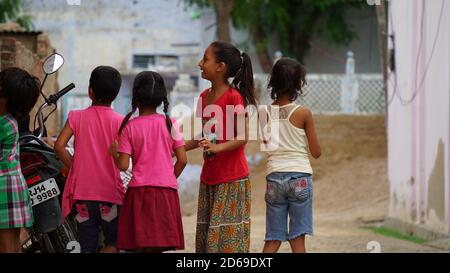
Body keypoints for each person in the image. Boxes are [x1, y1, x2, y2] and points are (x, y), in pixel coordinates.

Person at [185, 41, 256, 253]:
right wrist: (176, 148)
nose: (200, 63)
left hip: (232, 179)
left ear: (220, 67)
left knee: (227, 243)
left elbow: (242, 137)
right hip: (209, 178)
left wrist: (216, 148)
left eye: (205, 59)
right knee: (209, 239)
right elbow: (201, 136)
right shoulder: (202, 98)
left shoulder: (234, 97)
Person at [110, 71, 187, 253]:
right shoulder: (171, 123)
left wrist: (114, 153)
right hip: (166, 192)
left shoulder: (130, 127)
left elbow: (122, 165)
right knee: (159, 245)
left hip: (139, 193)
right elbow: (182, 159)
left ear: (136, 96)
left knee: (140, 245)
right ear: (162, 97)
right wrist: (169, 177)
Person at [54, 66, 125, 253]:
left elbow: (59, 145)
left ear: (90, 91)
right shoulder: (121, 122)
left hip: (82, 198)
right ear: (115, 95)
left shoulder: (76, 117)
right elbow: (126, 155)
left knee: (86, 244)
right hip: (109, 196)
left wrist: (74, 167)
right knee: (113, 241)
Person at [261, 58, 321, 253]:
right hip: (299, 177)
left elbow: (265, 144)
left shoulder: (264, 113)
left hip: (274, 177)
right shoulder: (303, 113)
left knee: (272, 239)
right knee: (297, 240)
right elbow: (316, 152)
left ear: (273, 82)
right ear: (298, 84)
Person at [0, 68, 40, 253]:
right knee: (12, 243)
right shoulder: (10, 121)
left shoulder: (4, 124)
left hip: (4, 188)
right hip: (12, 184)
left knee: (7, 245)